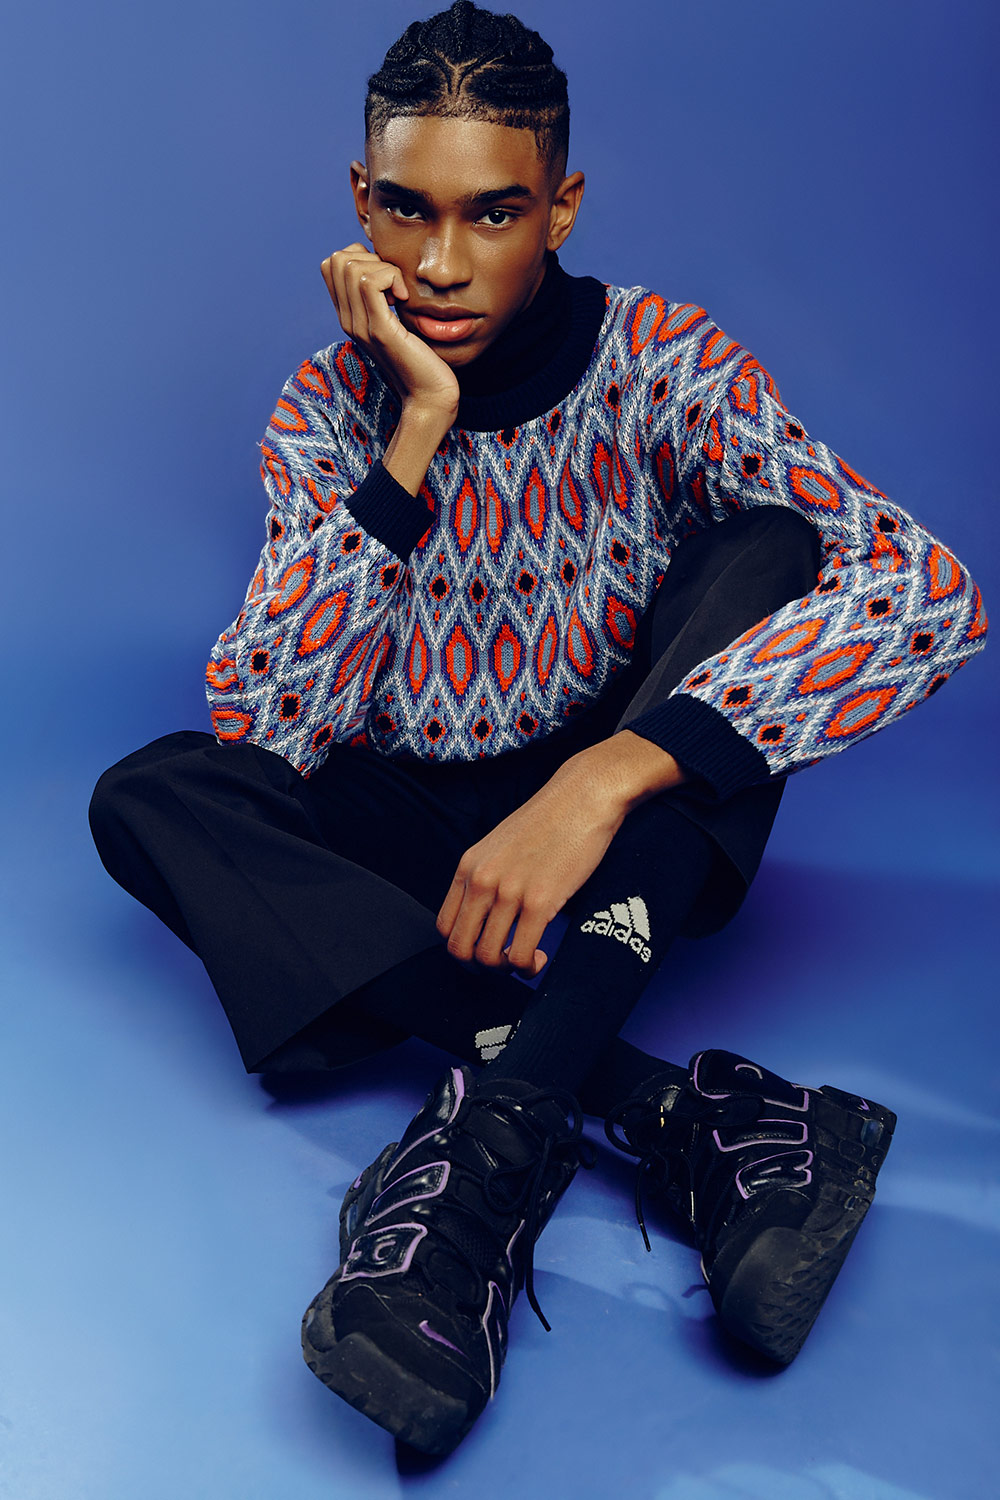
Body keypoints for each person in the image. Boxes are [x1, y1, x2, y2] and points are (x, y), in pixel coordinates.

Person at [89, 0, 988, 1459]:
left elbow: (924, 588)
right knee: (157, 794)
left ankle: (476, 1190)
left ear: (561, 206)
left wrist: (605, 776)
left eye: (494, 213)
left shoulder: (664, 359)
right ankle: (678, 1117)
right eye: (408, 210)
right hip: (421, 828)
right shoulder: (326, 409)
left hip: (618, 825)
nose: (442, 263)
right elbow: (272, 725)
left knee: (772, 547)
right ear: (360, 202)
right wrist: (417, 426)